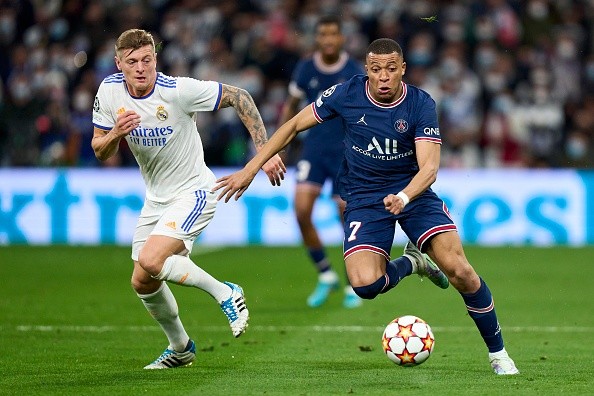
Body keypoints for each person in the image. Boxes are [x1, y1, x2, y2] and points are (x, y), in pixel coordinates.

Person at [214, 38, 519, 375]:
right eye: (376, 70)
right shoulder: (346, 94)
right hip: (362, 196)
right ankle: (413, 262)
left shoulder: (420, 104)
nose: (383, 76)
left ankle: (499, 354)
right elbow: (294, 125)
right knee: (365, 285)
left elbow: (429, 168)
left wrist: (403, 197)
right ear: (367, 71)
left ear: (403, 69)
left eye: (391, 69)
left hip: (412, 193)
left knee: (460, 271)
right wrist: (251, 167)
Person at [91, 29, 286, 369]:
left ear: (156, 59)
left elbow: (240, 97)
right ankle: (181, 348)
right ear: (118, 63)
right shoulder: (108, 91)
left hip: (194, 192)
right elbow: (99, 150)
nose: (141, 68)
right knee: (142, 279)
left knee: (151, 260)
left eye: (147, 60)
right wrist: (114, 134)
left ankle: (226, 291)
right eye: (133, 62)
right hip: (157, 199)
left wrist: (263, 151)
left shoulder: (178, 90)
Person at [278, 15, 364, 309]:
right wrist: (280, 145)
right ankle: (326, 274)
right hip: (314, 148)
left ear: (341, 38)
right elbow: (291, 105)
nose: (328, 40)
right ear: (317, 38)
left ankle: (353, 281)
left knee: (346, 217)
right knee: (302, 210)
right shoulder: (305, 68)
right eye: (323, 34)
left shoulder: (354, 70)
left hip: (345, 152)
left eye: (333, 34)